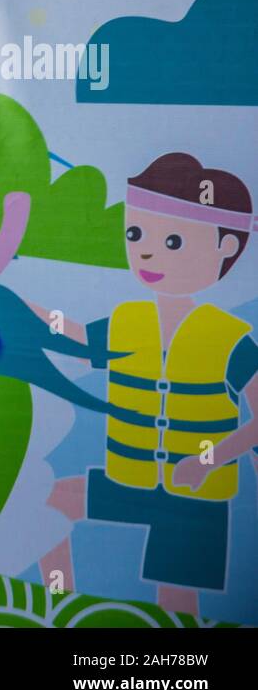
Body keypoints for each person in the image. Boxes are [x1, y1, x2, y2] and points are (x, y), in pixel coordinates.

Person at [27, 152, 258, 616]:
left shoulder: (231, 338)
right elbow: (70, 333)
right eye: (136, 234)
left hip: (195, 495)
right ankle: (59, 600)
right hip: (128, 479)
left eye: (173, 240)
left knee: (177, 607)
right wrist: (17, 303)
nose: (147, 252)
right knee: (47, 507)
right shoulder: (126, 321)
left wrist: (207, 459)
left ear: (226, 249)